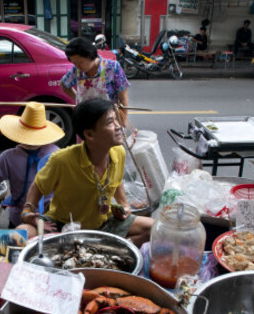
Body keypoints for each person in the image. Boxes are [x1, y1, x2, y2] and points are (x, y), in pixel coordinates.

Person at [17, 98, 154, 247]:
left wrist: (124, 205)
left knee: (155, 228)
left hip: (104, 224)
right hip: (62, 225)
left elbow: (117, 181)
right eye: (110, 122)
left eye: (116, 120)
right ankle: (104, 249)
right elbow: (38, 185)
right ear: (89, 135)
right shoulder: (62, 160)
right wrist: (27, 212)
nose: (118, 126)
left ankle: (110, 250)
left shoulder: (118, 152)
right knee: (18, 234)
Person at [0, 102, 64, 228]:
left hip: (19, 217)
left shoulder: (8, 157)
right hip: (50, 218)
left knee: (16, 245)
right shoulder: (56, 153)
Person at [60, 37, 130, 109]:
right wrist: (78, 100)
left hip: (108, 117)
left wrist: (122, 120)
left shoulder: (113, 67)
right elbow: (63, 84)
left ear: (89, 56)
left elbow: (123, 98)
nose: (77, 66)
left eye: (80, 62)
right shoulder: (76, 70)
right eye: (74, 63)